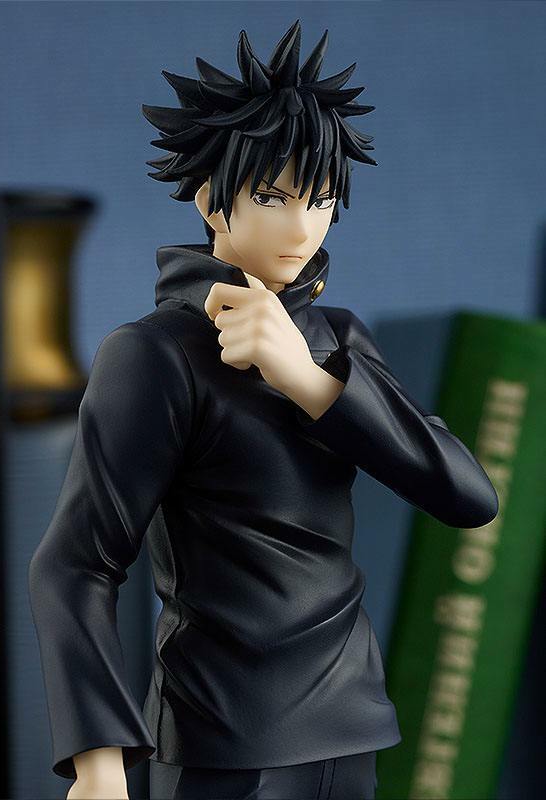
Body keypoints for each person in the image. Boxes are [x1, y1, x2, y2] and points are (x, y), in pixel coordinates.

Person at [28, 20, 499, 800]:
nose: (300, 227)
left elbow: (468, 496)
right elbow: (76, 563)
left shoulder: (336, 341)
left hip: (352, 726)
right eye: (273, 197)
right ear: (213, 203)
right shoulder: (154, 356)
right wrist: (99, 761)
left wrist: (308, 381)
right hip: (224, 738)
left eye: (320, 199)